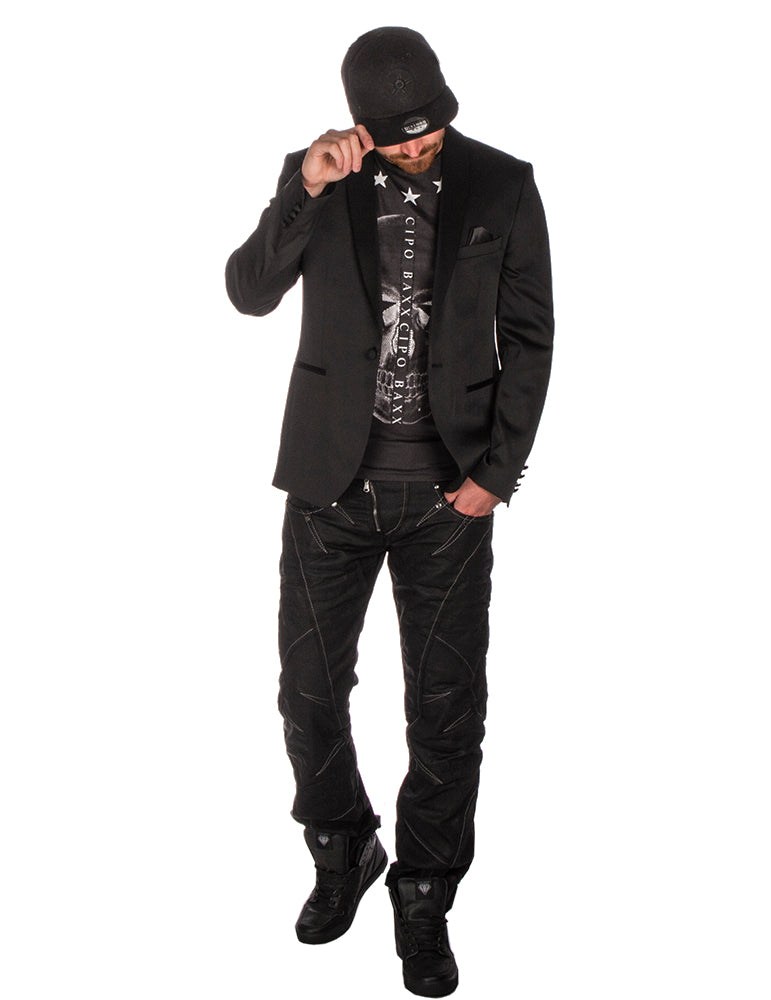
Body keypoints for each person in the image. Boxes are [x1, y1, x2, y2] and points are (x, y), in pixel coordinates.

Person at [225, 26, 554, 997]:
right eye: (398, 136)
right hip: (328, 489)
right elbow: (248, 291)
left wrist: (497, 472)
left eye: (430, 130)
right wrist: (305, 186)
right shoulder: (319, 178)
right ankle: (342, 846)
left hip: (450, 497)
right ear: (362, 126)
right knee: (308, 691)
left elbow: (531, 336)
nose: (417, 146)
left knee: (446, 707)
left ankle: (424, 892)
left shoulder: (502, 185)